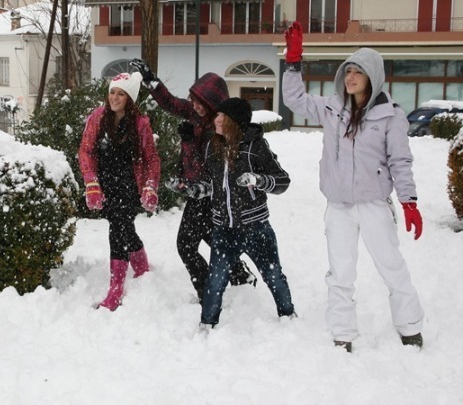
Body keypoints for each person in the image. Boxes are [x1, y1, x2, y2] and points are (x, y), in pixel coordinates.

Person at [282, 22, 425, 352]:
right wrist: (293, 61)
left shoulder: (391, 116)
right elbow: (294, 99)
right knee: (340, 273)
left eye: (358, 72)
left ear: (372, 77)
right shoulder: (331, 109)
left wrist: (409, 202)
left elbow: (400, 161)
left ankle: (410, 326)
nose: (350, 77)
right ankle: (343, 333)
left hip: (373, 204)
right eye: (348, 71)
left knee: (392, 267)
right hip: (339, 206)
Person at [129, 59, 257, 303]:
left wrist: (188, 142)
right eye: (194, 100)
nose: (195, 106)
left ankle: (208, 292)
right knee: (212, 239)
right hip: (198, 193)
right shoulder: (195, 113)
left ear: (213, 104)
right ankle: (239, 275)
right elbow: (171, 103)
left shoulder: (218, 127)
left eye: (201, 102)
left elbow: (204, 168)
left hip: (209, 195)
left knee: (186, 245)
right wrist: (150, 80)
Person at [195, 98, 296, 327]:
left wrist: (258, 180)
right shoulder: (213, 145)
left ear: (234, 121)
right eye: (217, 115)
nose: (216, 119)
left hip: (256, 228)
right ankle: (207, 324)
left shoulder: (256, 147)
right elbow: (212, 184)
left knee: (273, 276)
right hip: (224, 229)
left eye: (222, 116)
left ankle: (288, 316)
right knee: (216, 280)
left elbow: (282, 181)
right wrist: (195, 189)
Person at [78, 72, 161, 311]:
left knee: (118, 229)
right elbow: (86, 151)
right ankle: (142, 265)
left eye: (121, 94)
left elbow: (151, 158)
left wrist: (150, 187)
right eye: (112, 92)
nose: (114, 97)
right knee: (124, 227)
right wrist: (91, 183)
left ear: (130, 99)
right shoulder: (97, 118)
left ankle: (115, 290)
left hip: (128, 184)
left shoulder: (140, 123)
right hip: (105, 184)